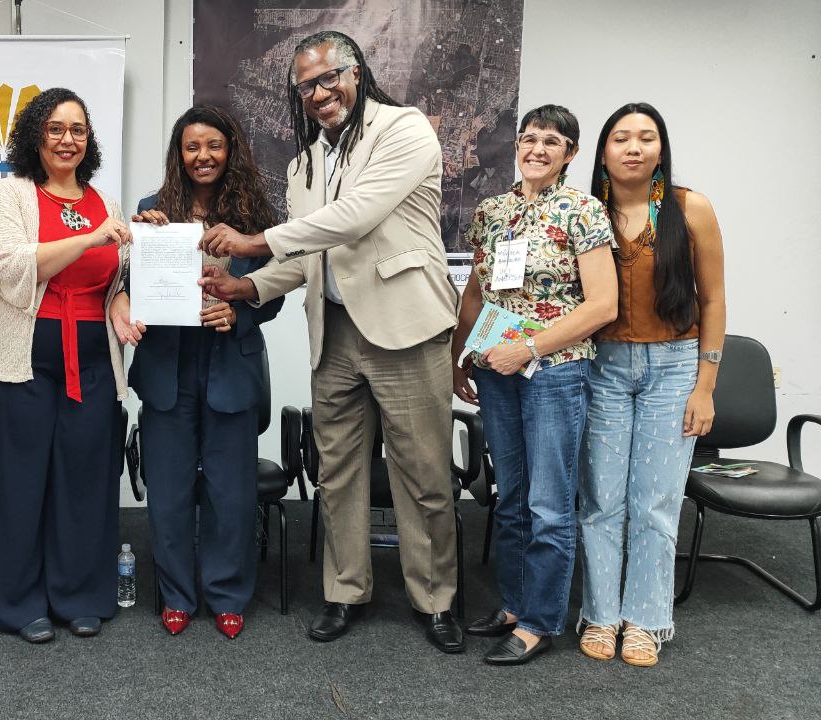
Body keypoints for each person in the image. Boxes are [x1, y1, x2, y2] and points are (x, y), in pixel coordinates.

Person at [198, 30, 464, 653]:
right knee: (337, 472)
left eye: (328, 78)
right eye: (306, 87)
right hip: (334, 332)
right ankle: (345, 591)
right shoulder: (305, 164)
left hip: (405, 328)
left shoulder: (404, 129)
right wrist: (247, 287)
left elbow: (356, 216)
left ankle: (435, 599)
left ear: (356, 72)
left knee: (423, 472)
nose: (319, 94)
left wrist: (254, 241)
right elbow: (305, 254)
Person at [451, 104, 618, 665]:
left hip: (555, 369)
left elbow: (603, 305)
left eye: (552, 141)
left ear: (571, 153)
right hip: (497, 369)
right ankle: (514, 605)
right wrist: (459, 355)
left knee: (549, 503)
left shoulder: (583, 210)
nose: (537, 149)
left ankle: (540, 621)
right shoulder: (492, 211)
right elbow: (476, 291)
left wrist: (529, 348)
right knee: (512, 496)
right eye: (529, 138)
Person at [114, 105, 283, 639]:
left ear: (230, 150)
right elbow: (131, 288)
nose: (202, 156)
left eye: (213, 145)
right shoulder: (152, 210)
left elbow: (275, 292)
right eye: (192, 147)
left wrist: (240, 312)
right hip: (169, 364)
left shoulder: (257, 214)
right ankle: (177, 595)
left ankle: (228, 594)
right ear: (179, 154)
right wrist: (139, 245)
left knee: (230, 493)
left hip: (229, 362)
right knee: (168, 492)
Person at [0, 87, 131, 643]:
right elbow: (13, 268)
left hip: (93, 361)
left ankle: (80, 594)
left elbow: (112, 280)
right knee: (16, 482)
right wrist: (89, 237)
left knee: (85, 478)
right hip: (17, 361)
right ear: (35, 137)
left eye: (78, 130)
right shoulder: (9, 194)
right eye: (56, 129)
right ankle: (17, 603)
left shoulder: (105, 201)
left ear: (89, 139)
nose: (68, 140)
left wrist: (121, 306)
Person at [577, 103, 726, 667]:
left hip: (674, 367)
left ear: (661, 149)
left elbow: (713, 299)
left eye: (646, 137)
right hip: (602, 366)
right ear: (603, 152)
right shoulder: (583, 212)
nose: (634, 148)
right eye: (621, 138)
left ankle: (644, 620)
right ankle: (600, 614)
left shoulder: (691, 208)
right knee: (601, 500)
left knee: (656, 502)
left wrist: (705, 386)